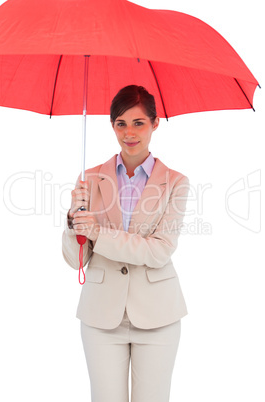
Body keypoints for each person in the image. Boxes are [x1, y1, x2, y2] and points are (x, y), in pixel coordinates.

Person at [62, 85, 189, 402]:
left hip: (158, 316)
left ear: (155, 124)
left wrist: (99, 233)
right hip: (101, 316)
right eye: (120, 123)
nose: (129, 133)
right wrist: (72, 223)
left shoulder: (175, 182)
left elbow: (158, 251)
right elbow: (75, 260)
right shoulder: (89, 179)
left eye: (138, 123)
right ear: (112, 124)